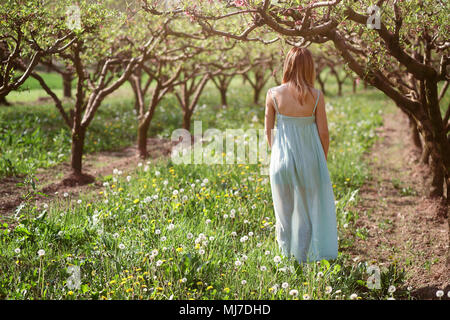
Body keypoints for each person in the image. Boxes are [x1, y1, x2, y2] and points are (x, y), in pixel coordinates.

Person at [264, 47, 338, 263]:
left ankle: (287, 261)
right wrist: (320, 160)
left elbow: (268, 132)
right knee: (306, 214)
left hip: (281, 162)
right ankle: (305, 261)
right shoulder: (316, 96)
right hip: (310, 162)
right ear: (309, 68)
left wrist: (277, 154)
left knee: (284, 215)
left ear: (288, 65)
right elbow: (324, 133)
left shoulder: (273, 94)